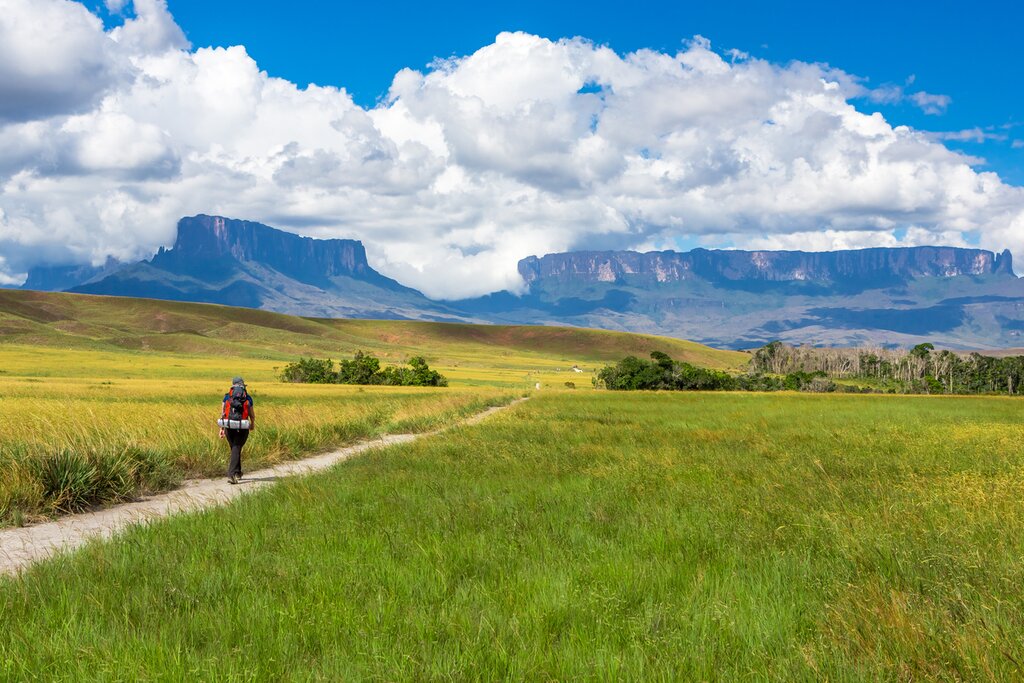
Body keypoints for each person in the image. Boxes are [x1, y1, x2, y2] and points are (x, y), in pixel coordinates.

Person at [219, 376, 255, 484]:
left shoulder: (227, 397)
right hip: (242, 426)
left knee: (235, 448)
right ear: (243, 386)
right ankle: (232, 475)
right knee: (237, 447)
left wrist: (221, 428)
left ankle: (238, 472)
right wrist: (252, 424)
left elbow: (223, 413)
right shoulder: (247, 398)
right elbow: (252, 414)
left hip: (228, 426)